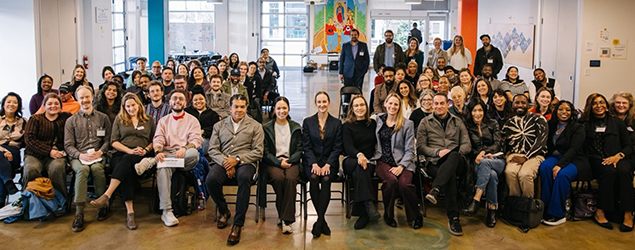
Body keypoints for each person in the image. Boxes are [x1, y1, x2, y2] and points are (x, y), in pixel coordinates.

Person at [90, 93, 156, 230]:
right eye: (128, 106)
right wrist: (129, 151)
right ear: (124, 107)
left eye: (133, 105)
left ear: (138, 104)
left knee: (126, 165)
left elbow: (154, 140)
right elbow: (114, 141)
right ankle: (130, 212)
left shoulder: (149, 120)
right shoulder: (119, 119)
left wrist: (146, 149)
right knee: (127, 167)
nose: (131, 108)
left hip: (141, 154)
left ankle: (108, 196)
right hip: (121, 153)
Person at [208, 94, 264, 245]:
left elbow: (258, 151)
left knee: (245, 178)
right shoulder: (219, 126)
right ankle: (224, 209)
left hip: (245, 162)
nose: (239, 110)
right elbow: (212, 149)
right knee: (211, 180)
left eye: (242, 107)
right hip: (223, 160)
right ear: (230, 108)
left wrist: (237, 160)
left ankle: (238, 224)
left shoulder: (255, 126)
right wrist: (227, 162)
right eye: (236, 107)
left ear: (246, 107)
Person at [143, 89, 202, 227]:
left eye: (180, 99)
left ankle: (152, 162)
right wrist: (157, 151)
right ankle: (167, 211)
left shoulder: (192, 120)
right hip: (168, 154)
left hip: (185, 156)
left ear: (185, 102)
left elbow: (196, 141)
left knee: (194, 154)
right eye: (174, 98)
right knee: (163, 167)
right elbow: (158, 139)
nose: (177, 101)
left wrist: (184, 149)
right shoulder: (163, 121)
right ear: (169, 102)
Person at [418, 93, 471, 236]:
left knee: (453, 156)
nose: (439, 106)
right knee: (450, 176)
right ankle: (454, 218)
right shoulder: (425, 122)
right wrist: (437, 152)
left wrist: (452, 153)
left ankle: (435, 189)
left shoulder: (457, 121)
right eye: (436, 104)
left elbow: (467, 145)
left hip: (456, 160)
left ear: (448, 104)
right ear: (432, 105)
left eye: (442, 103)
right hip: (435, 162)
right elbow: (420, 147)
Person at [580, 93, 634, 232]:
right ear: (590, 106)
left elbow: (628, 145)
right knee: (609, 171)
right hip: (596, 160)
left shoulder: (617, 122)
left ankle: (628, 213)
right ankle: (600, 211)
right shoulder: (584, 124)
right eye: (595, 103)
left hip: (619, 157)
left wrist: (618, 156)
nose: (599, 106)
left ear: (606, 105)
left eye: (601, 102)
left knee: (623, 171)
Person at [64, 86, 111, 232]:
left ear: (92, 97)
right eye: (81, 98)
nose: (85, 100)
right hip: (79, 156)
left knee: (97, 169)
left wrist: (101, 152)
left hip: (98, 155)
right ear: (78, 100)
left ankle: (102, 205)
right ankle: (79, 213)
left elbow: (108, 140)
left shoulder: (103, 118)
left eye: (87, 97)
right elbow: (68, 145)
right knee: (82, 170)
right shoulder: (71, 121)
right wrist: (80, 155)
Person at [372, 93, 423, 229]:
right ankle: (388, 215)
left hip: (403, 162)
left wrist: (401, 166)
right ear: (385, 104)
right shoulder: (377, 120)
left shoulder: (407, 124)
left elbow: (410, 150)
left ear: (399, 106)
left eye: (396, 104)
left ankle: (415, 216)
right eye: (390, 103)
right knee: (391, 181)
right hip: (383, 161)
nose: (393, 106)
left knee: (405, 184)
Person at [539, 100, 589, 226]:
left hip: (575, 159)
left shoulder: (578, 128)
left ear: (572, 112)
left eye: (567, 110)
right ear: (556, 111)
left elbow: (574, 149)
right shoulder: (551, 125)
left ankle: (558, 214)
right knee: (545, 167)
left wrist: (560, 165)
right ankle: (545, 208)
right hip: (556, 157)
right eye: (561, 109)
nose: (564, 112)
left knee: (562, 175)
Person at [302, 91, 342, 238]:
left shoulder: (336, 123)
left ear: (329, 102)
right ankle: (322, 221)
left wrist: (328, 165)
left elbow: (338, 147)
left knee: (325, 179)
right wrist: (313, 162)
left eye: (324, 101)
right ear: (315, 103)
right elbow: (306, 146)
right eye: (319, 102)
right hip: (311, 162)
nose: (322, 104)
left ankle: (319, 221)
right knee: (313, 178)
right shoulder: (308, 122)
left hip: (329, 163)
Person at [461, 98, 504, 228]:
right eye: (474, 110)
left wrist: (485, 152)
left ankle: (476, 199)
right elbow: (468, 147)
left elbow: (498, 143)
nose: (477, 113)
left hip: (496, 159)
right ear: (470, 112)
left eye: (480, 110)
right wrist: (479, 154)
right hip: (478, 162)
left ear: (484, 111)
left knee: (487, 164)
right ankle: (492, 209)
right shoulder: (467, 126)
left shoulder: (493, 123)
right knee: (491, 175)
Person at [262, 96, 302, 234]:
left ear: (289, 109)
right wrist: (279, 162)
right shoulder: (267, 128)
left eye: (284, 108)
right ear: (274, 109)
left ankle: (286, 219)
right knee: (279, 178)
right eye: (278, 108)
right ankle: (285, 216)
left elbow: (299, 149)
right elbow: (265, 152)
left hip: (292, 161)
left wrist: (289, 161)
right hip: (274, 161)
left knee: (291, 179)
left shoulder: (296, 127)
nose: (281, 111)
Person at [23, 93, 72, 202]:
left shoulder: (66, 117)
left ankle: (61, 202)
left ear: (61, 106)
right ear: (44, 106)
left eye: (56, 103)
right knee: (31, 170)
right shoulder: (35, 119)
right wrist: (49, 151)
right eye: (49, 103)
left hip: (58, 154)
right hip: (34, 154)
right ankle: (29, 201)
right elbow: (29, 139)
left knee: (57, 169)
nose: (53, 106)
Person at [342, 95, 379, 229]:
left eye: (362, 105)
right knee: (360, 167)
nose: (359, 108)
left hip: (368, 161)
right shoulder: (347, 125)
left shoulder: (372, 124)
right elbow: (347, 147)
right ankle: (368, 205)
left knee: (361, 170)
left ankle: (364, 211)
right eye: (356, 106)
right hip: (351, 160)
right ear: (351, 108)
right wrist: (359, 155)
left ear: (366, 107)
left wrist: (366, 158)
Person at [502, 94, 548, 198]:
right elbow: (504, 142)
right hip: (515, 154)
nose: (520, 105)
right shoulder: (509, 123)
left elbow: (541, 141)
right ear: (512, 104)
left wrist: (526, 157)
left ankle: (528, 205)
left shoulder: (539, 119)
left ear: (528, 104)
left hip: (535, 155)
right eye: (517, 102)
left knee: (525, 174)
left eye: (523, 102)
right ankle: (516, 204)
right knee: (510, 172)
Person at [0, 93, 27, 206]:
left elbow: (28, 141)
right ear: (3, 104)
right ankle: (8, 182)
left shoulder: (23, 122)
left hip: (14, 153)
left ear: (18, 105)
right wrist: (4, 151)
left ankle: (1, 201)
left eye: (15, 102)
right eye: (9, 101)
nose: (12, 104)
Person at [185, 86, 220, 156]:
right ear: (192, 101)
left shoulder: (213, 114)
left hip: (204, 138)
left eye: (201, 99)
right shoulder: (186, 112)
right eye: (195, 100)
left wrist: (204, 131)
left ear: (205, 100)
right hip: (188, 137)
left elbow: (216, 128)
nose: (198, 102)